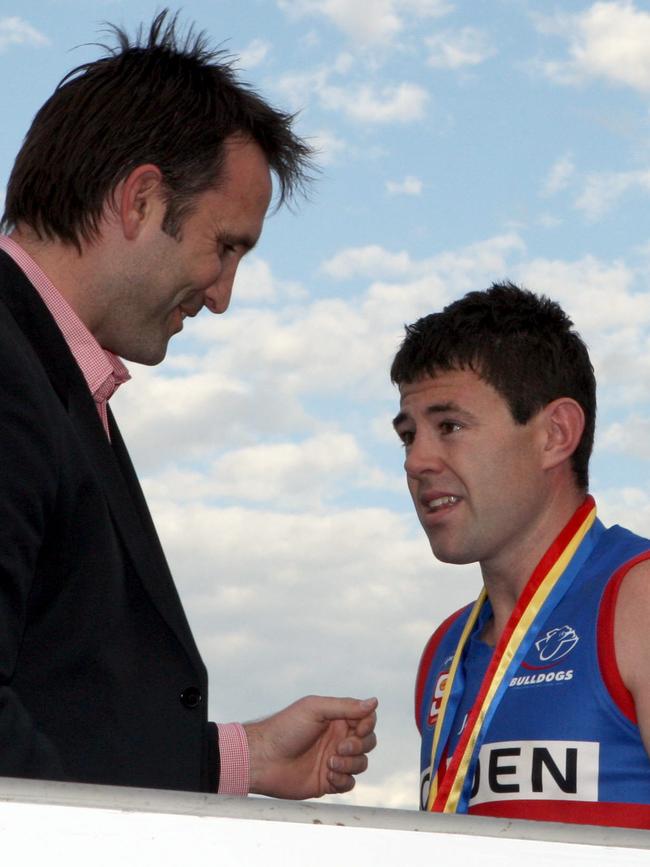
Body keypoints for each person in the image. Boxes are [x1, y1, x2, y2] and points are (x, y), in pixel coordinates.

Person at [0, 10, 377, 798]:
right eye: (226, 246)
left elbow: (57, 699)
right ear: (140, 199)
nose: (222, 295)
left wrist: (239, 758)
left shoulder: (49, 376)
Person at [391, 282, 650, 828]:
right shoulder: (446, 651)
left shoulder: (637, 603)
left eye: (450, 426)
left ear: (556, 434)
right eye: (408, 435)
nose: (417, 461)